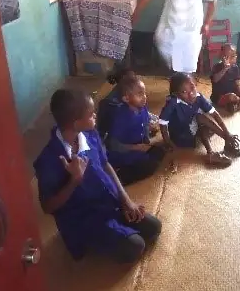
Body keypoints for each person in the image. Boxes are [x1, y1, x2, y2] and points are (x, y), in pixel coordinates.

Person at [33, 89, 162, 264]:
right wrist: (74, 181)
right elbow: (47, 207)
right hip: (84, 219)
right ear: (76, 123)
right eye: (91, 114)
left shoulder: (90, 134)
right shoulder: (49, 160)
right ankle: (90, 240)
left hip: (109, 202)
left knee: (154, 227)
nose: (95, 115)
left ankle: (117, 227)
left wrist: (126, 200)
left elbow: (106, 164)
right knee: (136, 247)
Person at [159, 72, 240, 166]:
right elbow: (162, 123)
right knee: (200, 117)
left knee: (203, 121)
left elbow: (215, 114)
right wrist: (168, 142)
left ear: (196, 84)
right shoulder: (172, 103)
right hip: (181, 136)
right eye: (184, 92)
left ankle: (224, 141)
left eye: (192, 87)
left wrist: (227, 132)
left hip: (191, 127)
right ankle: (214, 151)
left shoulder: (198, 97)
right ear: (176, 94)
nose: (191, 94)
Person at [105, 76, 167, 186]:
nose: (144, 97)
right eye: (139, 94)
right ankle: (119, 178)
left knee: (161, 151)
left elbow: (146, 123)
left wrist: (147, 139)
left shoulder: (143, 108)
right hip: (122, 151)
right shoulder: (121, 118)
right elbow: (113, 144)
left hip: (139, 145)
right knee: (149, 165)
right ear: (126, 99)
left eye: (144, 93)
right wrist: (136, 147)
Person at [96, 68, 159, 141]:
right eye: (132, 78)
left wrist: (146, 125)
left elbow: (143, 117)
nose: (135, 79)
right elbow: (112, 139)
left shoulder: (138, 103)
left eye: (135, 77)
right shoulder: (113, 106)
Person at [210, 43, 240, 112]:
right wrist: (225, 69)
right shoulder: (216, 67)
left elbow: (237, 84)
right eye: (227, 57)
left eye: (233, 56)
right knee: (231, 97)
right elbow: (215, 79)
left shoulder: (235, 67)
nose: (231, 58)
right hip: (220, 97)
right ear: (221, 57)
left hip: (234, 92)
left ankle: (239, 102)